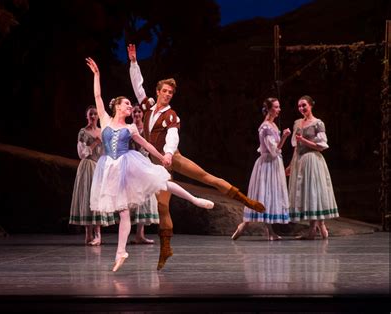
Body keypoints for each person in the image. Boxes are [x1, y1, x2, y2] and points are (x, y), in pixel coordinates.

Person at [127, 44, 265, 270]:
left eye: (171, 92)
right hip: (157, 165)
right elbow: (138, 87)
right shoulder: (148, 108)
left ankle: (245, 201)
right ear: (158, 91)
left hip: (173, 157)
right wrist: (134, 62)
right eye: (165, 91)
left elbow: (172, 136)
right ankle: (165, 248)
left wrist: (170, 154)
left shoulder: (172, 115)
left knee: (207, 177)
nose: (168, 94)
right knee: (163, 206)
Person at [85, 57, 214, 272]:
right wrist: (97, 75)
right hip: (110, 170)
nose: (130, 106)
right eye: (127, 103)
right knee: (124, 213)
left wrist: (164, 155)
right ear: (117, 106)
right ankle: (120, 252)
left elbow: (147, 144)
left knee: (160, 181)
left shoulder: (131, 129)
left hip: (129, 165)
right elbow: (97, 96)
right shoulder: (105, 120)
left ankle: (195, 199)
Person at [231, 98, 291, 241]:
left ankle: (267, 231)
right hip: (267, 164)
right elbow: (273, 150)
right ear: (269, 109)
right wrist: (284, 138)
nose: (279, 109)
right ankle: (245, 225)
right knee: (263, 196)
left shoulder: (273, 125)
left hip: (273, 164)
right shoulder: (265, 127)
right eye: (276, 107)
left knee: (270, 196)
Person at [286, 95, 339, 239]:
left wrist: (303, 140)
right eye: (299, 106)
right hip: (301, 160)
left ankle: (316, 228)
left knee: (314, 192)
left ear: (311, 105)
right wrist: (291, 164)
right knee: (307, 194)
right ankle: (315, 228)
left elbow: (321, 147)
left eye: (304, 105)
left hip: (313, 160)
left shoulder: (318, 123)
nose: (302, 108)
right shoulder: (297, 123)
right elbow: (296, 147)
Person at [69, 106, 116, 246]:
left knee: (97, 199)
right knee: (87, 198)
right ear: (87, 116)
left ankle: (98, 235)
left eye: (95, 114)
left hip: (99, 166)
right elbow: (81, 154)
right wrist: (95, 142)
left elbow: (107, 152)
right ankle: (88, 234)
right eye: (91, 114)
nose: (93, 116)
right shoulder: (83, 132)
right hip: (87, 167)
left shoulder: (102, 132)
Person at [129, 104, 158, 244]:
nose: (137, 114)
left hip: (144, 162)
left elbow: (150, 145)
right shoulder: (129, 129)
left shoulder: (146, 129)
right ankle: (130, 234)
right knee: (133, 197)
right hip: (132, 162)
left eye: (139, 111)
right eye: (134, 112)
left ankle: (140, 234)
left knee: (145, 196)